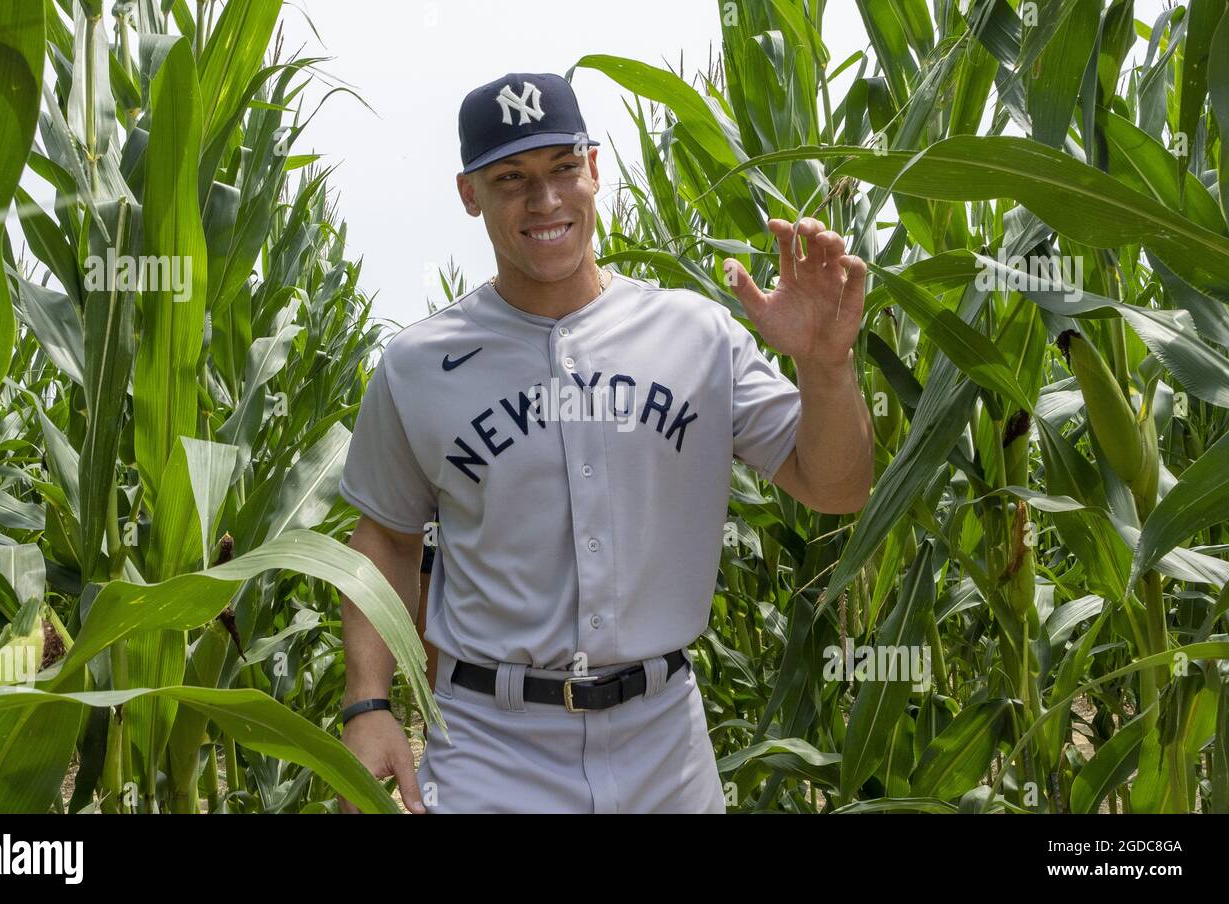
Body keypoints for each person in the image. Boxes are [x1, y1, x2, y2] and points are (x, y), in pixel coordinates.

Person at [337, 71, 872, 813]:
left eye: (562, 168)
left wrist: (826, 367)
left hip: (665, 744)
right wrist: (368, 706)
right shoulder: (418, 365)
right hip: (494, 746)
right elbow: (387, 540)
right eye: (511, 178)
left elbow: (839, 487)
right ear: (469, 194)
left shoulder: (696, 334)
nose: (544, 200)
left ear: (594, 167)